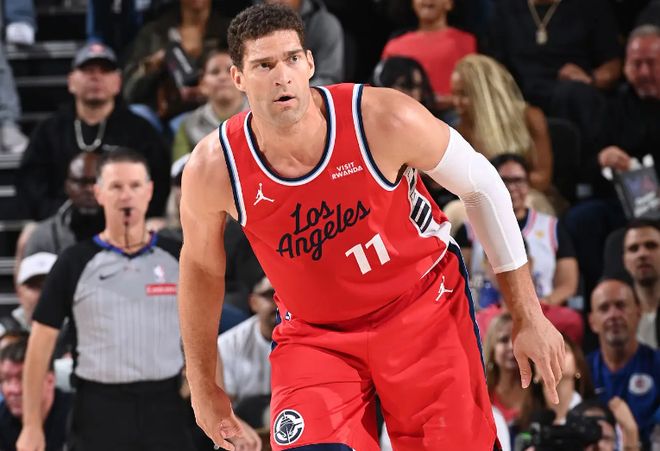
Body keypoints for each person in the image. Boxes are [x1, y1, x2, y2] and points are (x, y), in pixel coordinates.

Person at [178, 4, 565, 451]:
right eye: (264, 65)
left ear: (310, 63)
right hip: (316, 335)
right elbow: (201, 268)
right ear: (238, 78)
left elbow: (482, 187)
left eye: (291, 59)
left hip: (421, 309)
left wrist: (528, 314)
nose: (281, 76)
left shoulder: (381, 118)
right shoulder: (214, 167)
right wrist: (203, 385)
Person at [16, 149, 195, 451]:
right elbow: (40, 344)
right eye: (116, 186)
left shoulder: (178, 256)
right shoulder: (74, 262)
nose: (126, 195)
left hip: (165, 405)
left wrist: (212, 394)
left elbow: (204, 331)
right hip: (98, 409)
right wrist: (32, 424)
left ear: (149, 191)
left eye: (135, 185)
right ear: (99, 193)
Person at [17, 42, 170, 221]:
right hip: (61, 222)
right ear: (71, 81)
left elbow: (159, 182)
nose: (96, 77)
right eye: (88, 71)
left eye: (104, 71)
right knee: (32, 233)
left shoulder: (140, 130)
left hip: (127, 222)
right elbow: (30, 183)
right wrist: (59, 217)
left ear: (118, 82)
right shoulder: (49, 130)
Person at [456, 154, 579, 307]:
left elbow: (568, 285)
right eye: (504, 181)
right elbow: (457, 280)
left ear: (528, 185)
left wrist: (543, 305)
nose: (512, 188)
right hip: (483, 314)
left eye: (518, 180)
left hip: (542, 310)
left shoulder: (552, 228)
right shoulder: (469, 229)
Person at [450, 55, 553, 194]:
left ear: (485, 93)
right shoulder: (460, 129)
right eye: (453, 94)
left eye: (463, 94)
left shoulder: (530, 117)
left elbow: (542, 178)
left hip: (529, 195)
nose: (456, 102)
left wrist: (512, 186)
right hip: (483, 197)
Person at [587, 278, 660, 447]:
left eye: (621, 305)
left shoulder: (657, 365)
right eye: (604, 308)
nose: (613, 315)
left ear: (639, 312)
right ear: (592, 321)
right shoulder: (584, 370)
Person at [381, 0, 476, 111]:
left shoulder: (467, 42)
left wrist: (452, 100)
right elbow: (384, 91)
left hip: (454, 113)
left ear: (449, 3)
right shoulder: (394, 45)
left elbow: (476, 89)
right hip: (405, 113)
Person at [172, 49, 249, 161]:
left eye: (230, 71)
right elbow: (180, 169)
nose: (223, 77)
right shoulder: (188, 125)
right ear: (202, 83)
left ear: (242, 78)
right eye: (215, 72)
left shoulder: (263, 115)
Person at [217, 276, 275, 425]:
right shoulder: (228, 344)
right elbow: (225, 409)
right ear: (253, 303)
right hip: (244, 423)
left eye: (284, 294)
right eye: (270, 295)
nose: (278, 302)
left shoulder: (308, 339)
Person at [23, 152, 104, 258]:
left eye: (95, 182)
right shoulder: (43, 236)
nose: (90, 189)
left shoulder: (125, 234)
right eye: (82, 182)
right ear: (67, 186)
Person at [0, 336, 71, 451]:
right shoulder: (3, 419)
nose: (13, 390)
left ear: (50, 380)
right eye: (5, 380)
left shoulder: (80, 415)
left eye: (22, 379)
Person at [263, 0, 345, 85]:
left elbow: (329, 78)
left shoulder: (324, 24)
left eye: (294, 58)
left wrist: (297, 91)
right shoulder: (254, 23)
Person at [622, 219, 660, 349]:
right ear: (625, 261)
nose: (642, 254)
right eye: (633, 249)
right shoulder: (618, 317)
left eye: (651, 246)